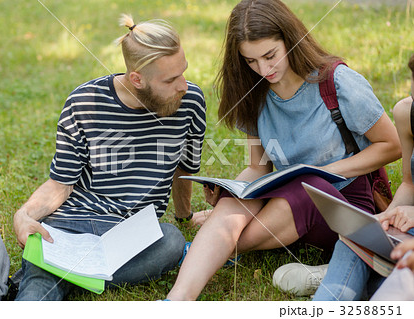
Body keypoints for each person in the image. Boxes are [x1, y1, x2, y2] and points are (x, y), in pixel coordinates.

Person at [165, 0, 401, 301]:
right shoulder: (254, 91)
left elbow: (391, 145)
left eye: (270, 55)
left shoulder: (338, 82)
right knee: (240, 196)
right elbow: (258, 167)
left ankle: (216, 248)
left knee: (309, 186)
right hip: (292, 198)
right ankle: (176, 300)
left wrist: (324, 172)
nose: (263, 69)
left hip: (346, 204)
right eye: (251, 61)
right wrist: (230, 189)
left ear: (291, 39)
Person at [13, 14, 206, 301]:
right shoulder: (83, 102)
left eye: (183, 72)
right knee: (35, 294)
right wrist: (24, 215)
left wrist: (185, 216)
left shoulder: (190, 103)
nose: (184, 86)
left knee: (172, 241)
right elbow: (60, 184)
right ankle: (60, 273)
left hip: (131, 234)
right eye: (171, 79)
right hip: (71, 226)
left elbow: (183, 168)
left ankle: (59, 274)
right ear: (137, 79)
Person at [307, 53, 414, 301]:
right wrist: (386, 217)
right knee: (355, 236)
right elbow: (409, 183)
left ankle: (358, 279)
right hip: (408, 229)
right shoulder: (407, 112)